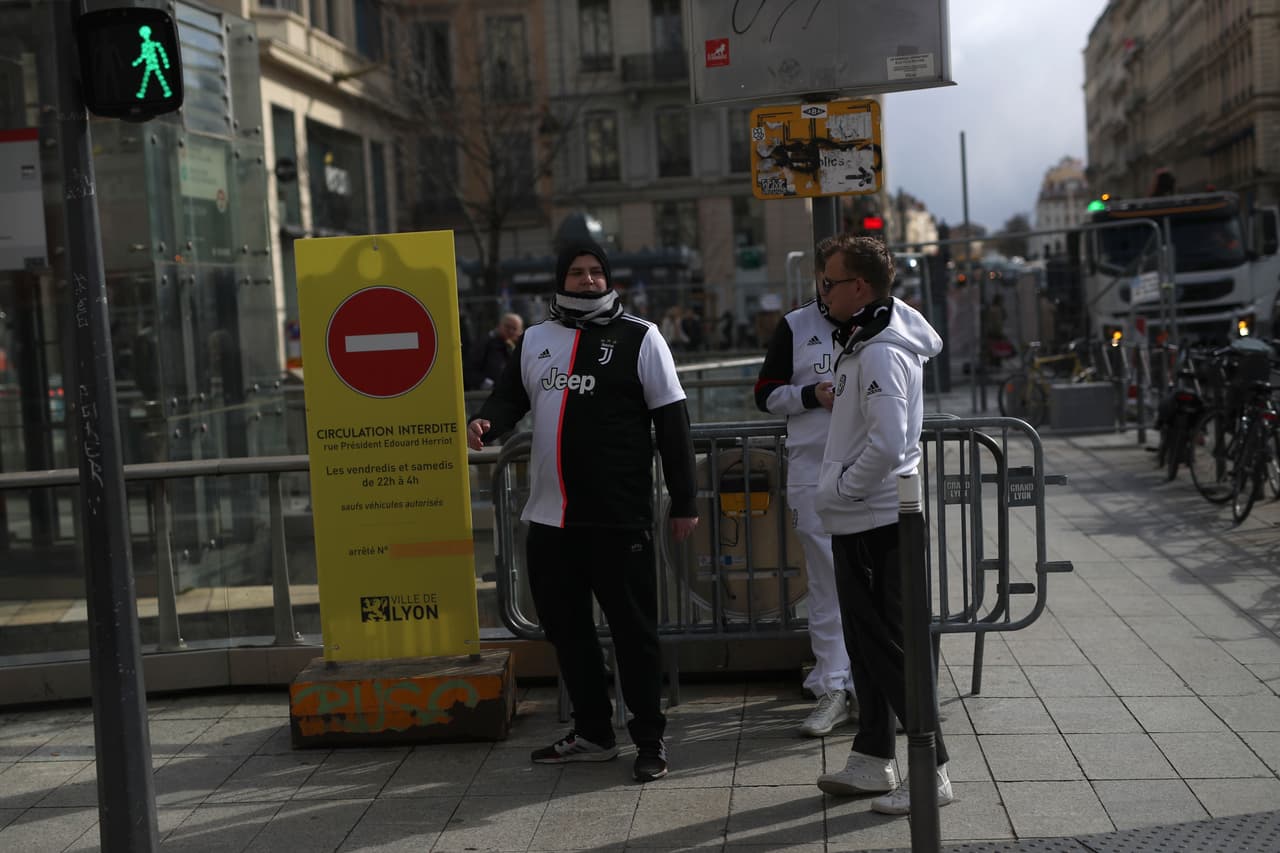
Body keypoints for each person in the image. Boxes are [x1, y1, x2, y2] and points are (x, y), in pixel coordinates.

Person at [466, 239, 699, 783]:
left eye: (597, 272)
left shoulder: (643, 337)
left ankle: (649, 738)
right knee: (566, 631)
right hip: (550, 521)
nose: (588, 280)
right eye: (577, 272)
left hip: (619, 519)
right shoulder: (534, 340)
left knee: (634, 634)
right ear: (560, 280)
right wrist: (485, 423)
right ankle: (594, 734)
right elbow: (508, 400)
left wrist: (684, 500)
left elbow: (673, 423)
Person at [811, 235, 949, 815]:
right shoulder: (865, 341)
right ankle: (873, 760)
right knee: (868, 648)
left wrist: (843, 488)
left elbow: (891, 443)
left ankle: (932, 770)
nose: (822, 293)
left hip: (874, 518)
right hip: (863, 517)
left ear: (858, 288)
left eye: (829, 283)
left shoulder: (877, 351)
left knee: (888, 648)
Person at [753, 241, 856, 738]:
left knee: (876, 579)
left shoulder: (887, 322)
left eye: (841, 280)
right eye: (826, 279)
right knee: (826, 580)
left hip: (872, 473)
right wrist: (811, 395)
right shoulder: (796, 326)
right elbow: (765, 394)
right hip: (814, 471)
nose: (830, 288)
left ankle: (869, 681)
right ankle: (833, 682)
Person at [466, 312, 523, 390]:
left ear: (520, 331)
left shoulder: (522, 348)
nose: (510, 331)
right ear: (499, 326)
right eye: (507, 327)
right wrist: (484, 382)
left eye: (514, 328)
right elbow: (469, 369)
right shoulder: (485, 344)